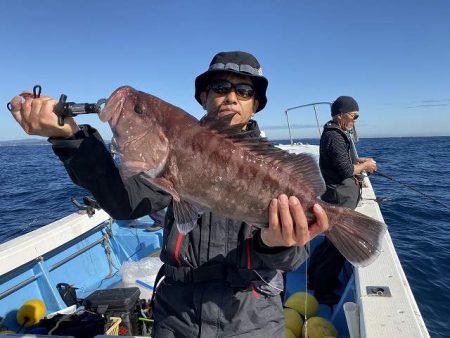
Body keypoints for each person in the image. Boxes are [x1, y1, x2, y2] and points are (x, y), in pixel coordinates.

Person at [9, 51, 329, 338]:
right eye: (220, 87)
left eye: (244, 90)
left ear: (255, 103)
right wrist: (70, 138)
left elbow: (294, 258)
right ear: (203, 96)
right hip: (175, 317)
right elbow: (124, 202)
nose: (231, 96)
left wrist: (273, 244)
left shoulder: (275, 167)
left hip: (249, 317)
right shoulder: (173, 152)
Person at [307, 96, 377, 305]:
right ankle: (323, 291)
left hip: (339, 197)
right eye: (354, 116)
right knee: (338, 246)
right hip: (340, 200)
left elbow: (343, 163)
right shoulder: (334, 137)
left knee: (330, 242)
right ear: (341, 114)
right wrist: (365, 167)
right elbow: (345, 171)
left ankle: (314, 278)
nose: (355, 120)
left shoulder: (335, 135)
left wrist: (359, 161)